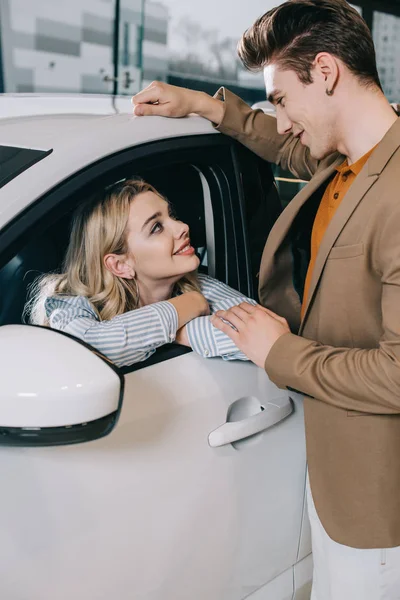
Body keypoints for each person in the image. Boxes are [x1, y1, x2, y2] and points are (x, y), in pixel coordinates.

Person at [132, 1, 400, 599]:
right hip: (331, 473)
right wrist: (203, 105)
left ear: (326, 72)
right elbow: (286, 149)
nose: (279, 120)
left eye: (281, 99)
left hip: (378, 498)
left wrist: (280, 352)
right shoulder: (349, 156)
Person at [27, 179, 256, 367]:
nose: (182, 227)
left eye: (171, 216)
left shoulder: (197, 285)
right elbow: (91, 352)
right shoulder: (68, 305)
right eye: (156, 227)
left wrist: (171, 332)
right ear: (120, 265)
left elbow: (261, 337)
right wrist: (189, 306)